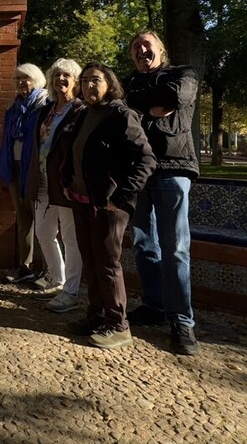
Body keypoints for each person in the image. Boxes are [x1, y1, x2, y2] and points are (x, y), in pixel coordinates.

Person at [62, 63, 156, 349]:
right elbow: (74, 151)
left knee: (106, 264)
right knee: (90, 260)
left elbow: (146, 160)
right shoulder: (83, 114)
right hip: (81, 201)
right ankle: (96, 315)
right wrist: (67, 180)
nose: (90, 85)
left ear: (109, 84)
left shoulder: (120, 115)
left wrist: (119, 198)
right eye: (86, 80)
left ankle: (118, 325)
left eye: (96, 80)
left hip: (108, 206)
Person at [123, 30, 201, 355]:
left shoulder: (184, 74)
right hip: (140, 168)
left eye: (147, 45)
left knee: (176, 247)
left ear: (161, 50)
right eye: (136, 48)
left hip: (174, 167)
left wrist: (151, 98)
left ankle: (182, 321)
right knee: (143, 243)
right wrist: (152, 100)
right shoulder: (130, 83)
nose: (142, 51)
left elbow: (177, 97)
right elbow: (125, 104)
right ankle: (154, 306)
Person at [23, 58, 86, 312]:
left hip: (65, 183)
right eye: (57, 75)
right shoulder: (46, 111)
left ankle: (70, 290)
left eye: (67, 76)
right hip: (42, 180)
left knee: (70, 237)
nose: (61, 80)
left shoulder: (80, 110)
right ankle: (56, 279)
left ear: (75, 81)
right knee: (44, 232)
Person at [0, 62, 48, 284]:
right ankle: (24, 267)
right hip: (14, 166)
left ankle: (47, 270)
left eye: (25, 78)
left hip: (35, 169)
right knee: (23, 219)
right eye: (17, 79)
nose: (21, 83)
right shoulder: (13, 107)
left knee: (43, 223)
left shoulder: (44, 105)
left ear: (36, 80)